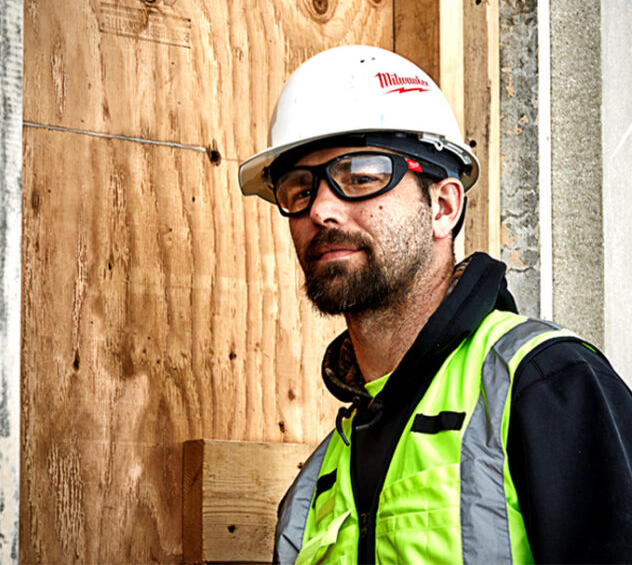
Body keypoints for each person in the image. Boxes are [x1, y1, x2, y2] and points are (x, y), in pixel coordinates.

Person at [238, 45, 632, 564]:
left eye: (360, 175)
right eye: (299, 187)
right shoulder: (321, 483)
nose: (322, 209)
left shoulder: (545, 384)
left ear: (443, 207)